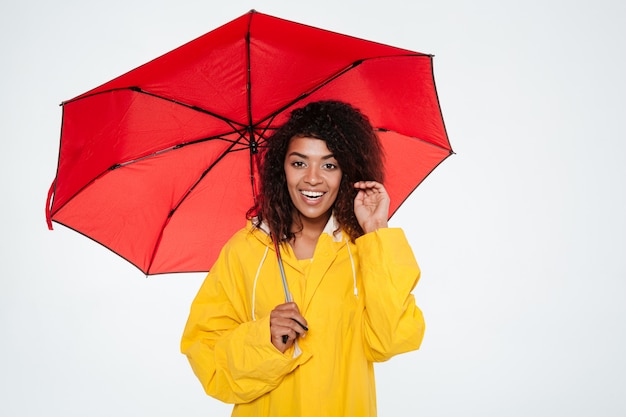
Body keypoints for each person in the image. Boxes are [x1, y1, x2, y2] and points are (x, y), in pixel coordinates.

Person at [181, 100, 425, 416]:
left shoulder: (363, 250)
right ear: (281, 170)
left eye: (329, 165)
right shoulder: (245, 250)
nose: (312, 179)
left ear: (347, 172)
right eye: (299, 163)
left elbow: (391, 340)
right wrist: (263, 337)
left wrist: (376, 230)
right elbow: (209, 363)